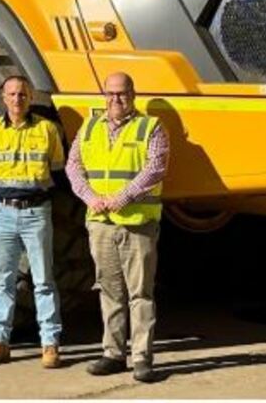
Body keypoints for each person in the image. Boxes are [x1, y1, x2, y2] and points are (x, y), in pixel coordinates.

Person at [66, 72, 168, 383]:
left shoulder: (151, 127)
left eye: (121, 93)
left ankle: (141, 357)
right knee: (109, 291)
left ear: (133, 94)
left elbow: (156, 168)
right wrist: (91, 197)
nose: (116, 99)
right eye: (110, 94)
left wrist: (122, 197)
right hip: (101, 224)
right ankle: (113, 353)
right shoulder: (90, 126)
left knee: (140, 294)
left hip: (138, 224)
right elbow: (74, 166)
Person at [0, 75, 65, 369]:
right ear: (3, 97)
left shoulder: (47, 129)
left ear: (30, 98)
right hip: (2, 212)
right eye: (12, 94)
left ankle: (50, 344)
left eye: (23, 94)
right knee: (2, 280)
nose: (17, 99)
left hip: (36, 212)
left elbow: (57, 169)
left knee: (43, 280)